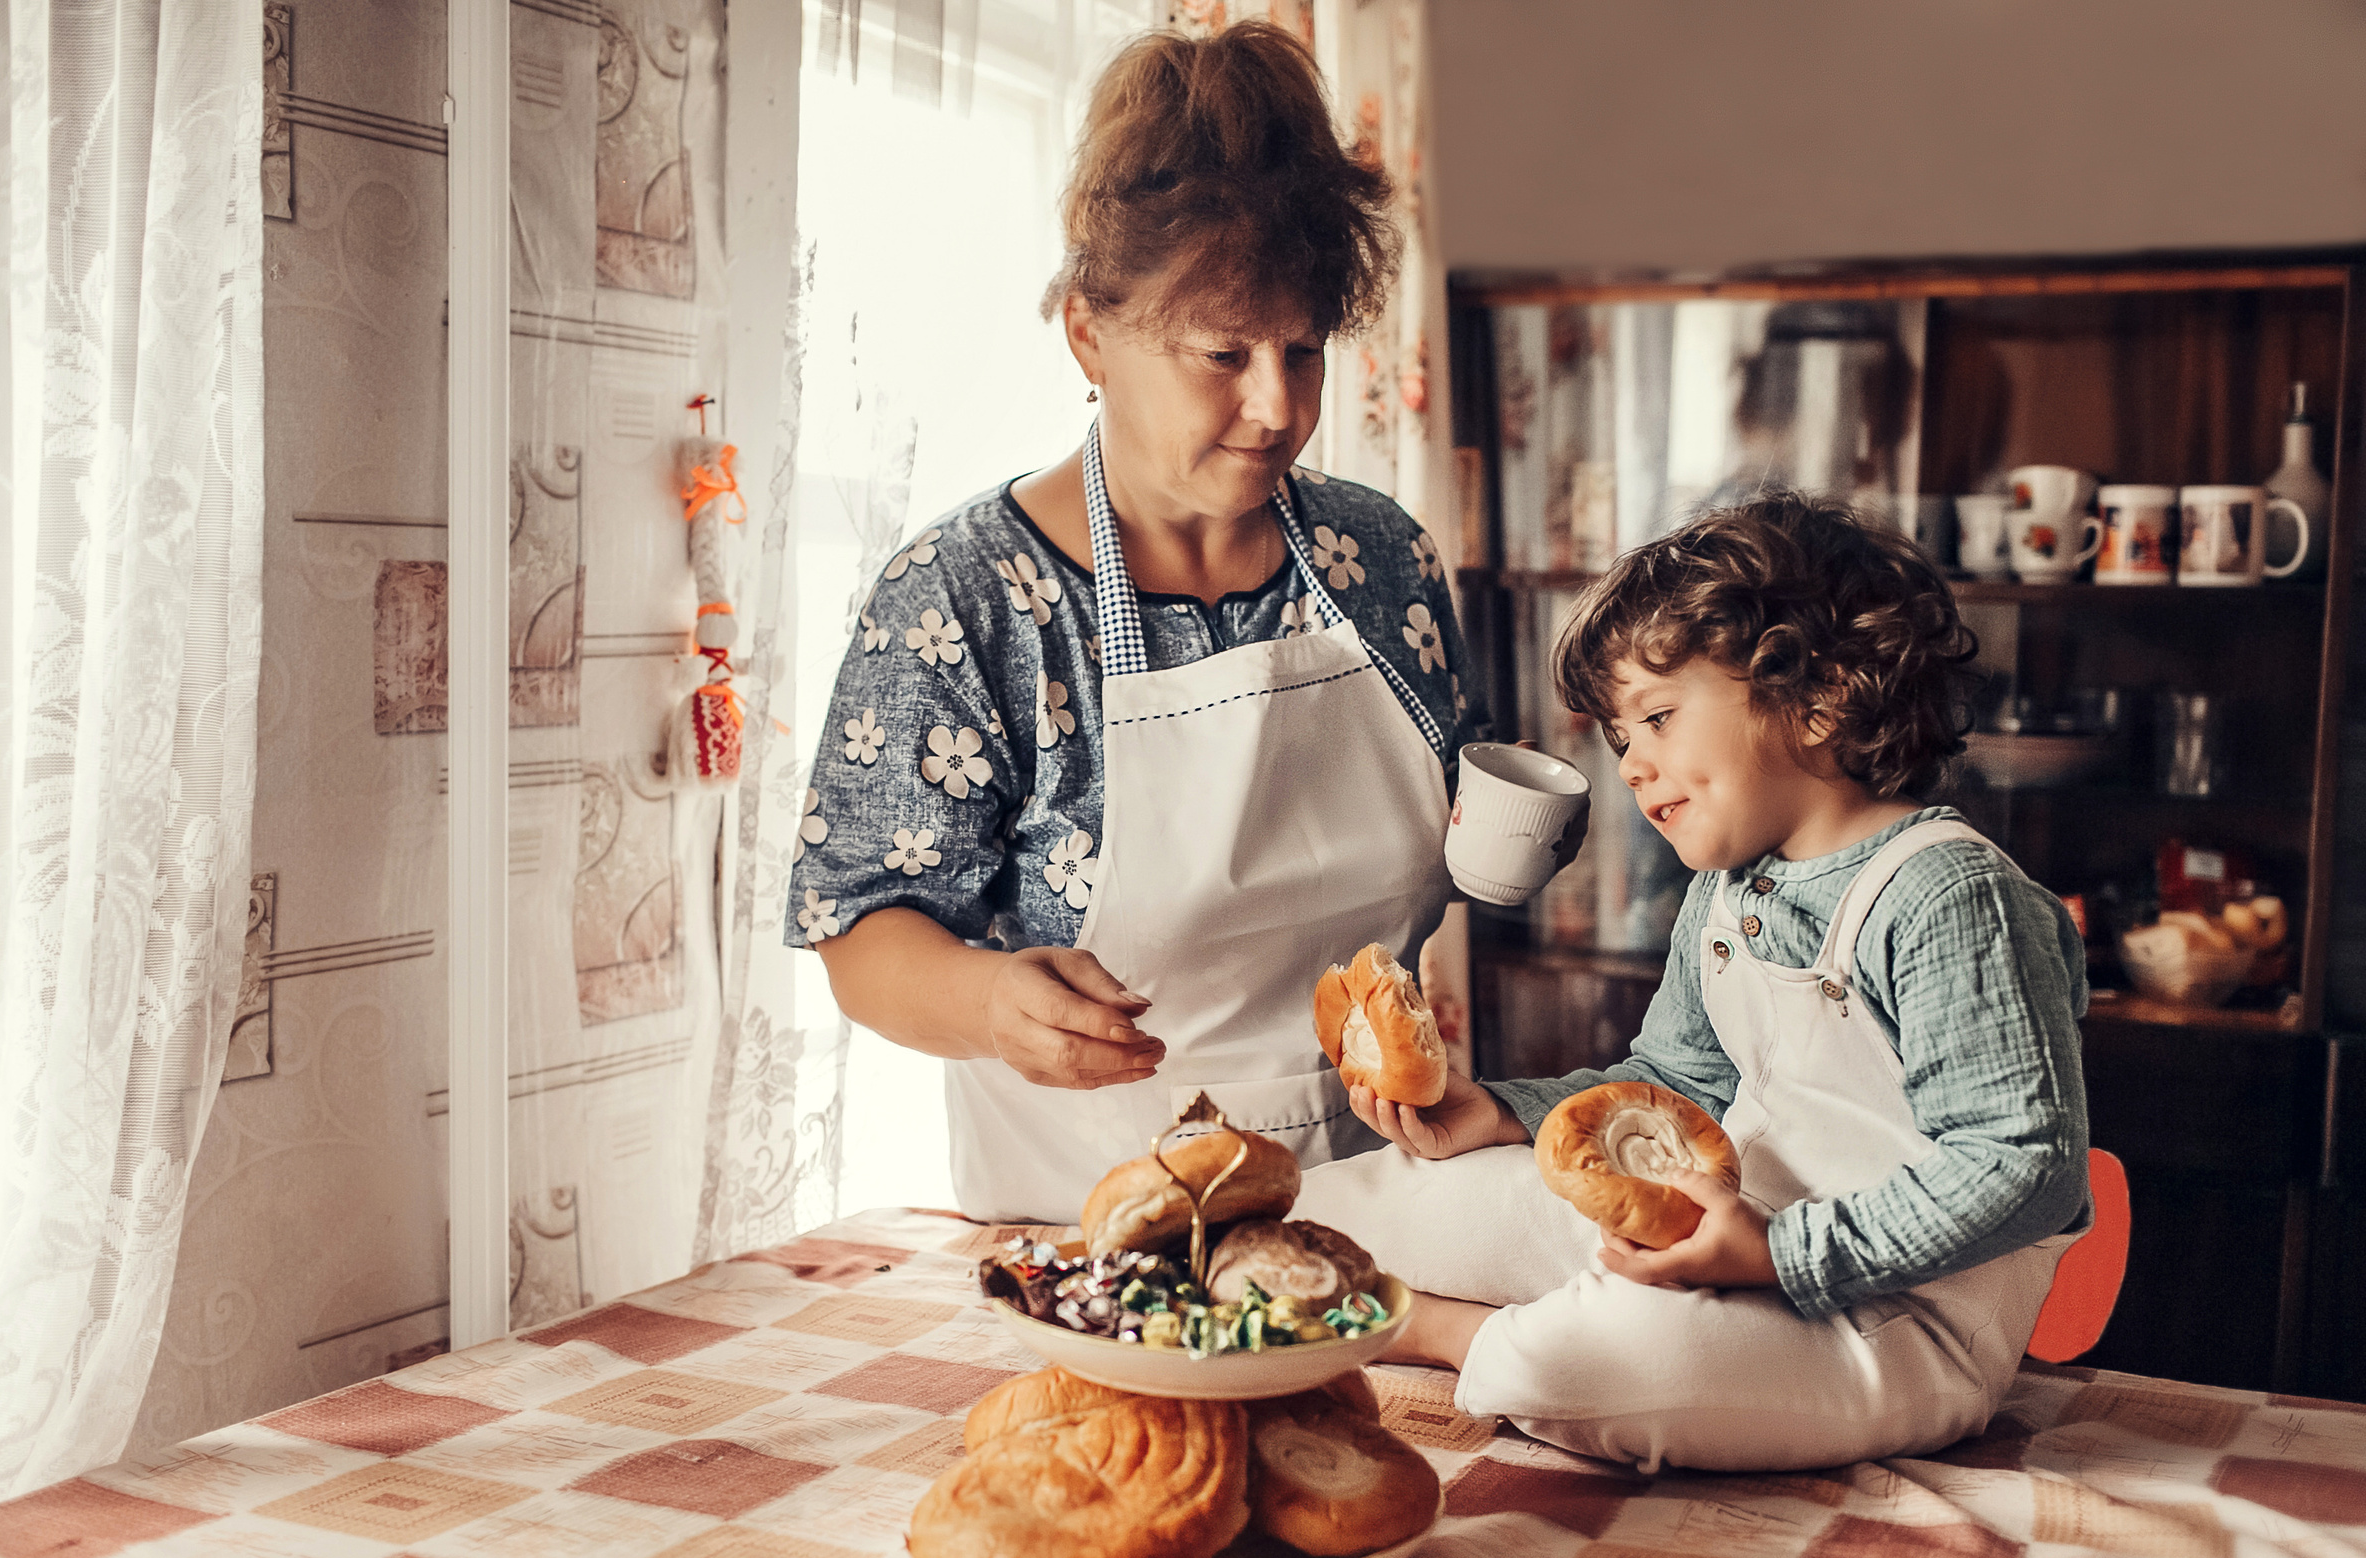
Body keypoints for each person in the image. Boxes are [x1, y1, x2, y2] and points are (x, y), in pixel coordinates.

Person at [787, 22, 1490, 1221]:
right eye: (1223, 353)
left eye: (1303, 352)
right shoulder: (961, 600)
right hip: (1088, 1224)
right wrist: (986, 1000)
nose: (1276, 406)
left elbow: (1457, 821)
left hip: (1386, 1209)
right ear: (1090, 334)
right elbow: (862, 930)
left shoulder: (1379, 558)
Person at [1294, 493, 2094, 1473]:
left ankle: (1443, 1333)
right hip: (1720, 1240)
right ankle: (1525, 1302)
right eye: (1620, 737)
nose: (1632, 763)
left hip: (1893, 1320)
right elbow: (1670, 1087)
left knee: (1566, 1362)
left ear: (1820, 694)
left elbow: (2026, 1163)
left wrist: (1777, 1253)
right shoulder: (1727, 889)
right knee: (1339, 1209)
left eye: (1658, 716)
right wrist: (1497, 1113)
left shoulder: (1946, 893)